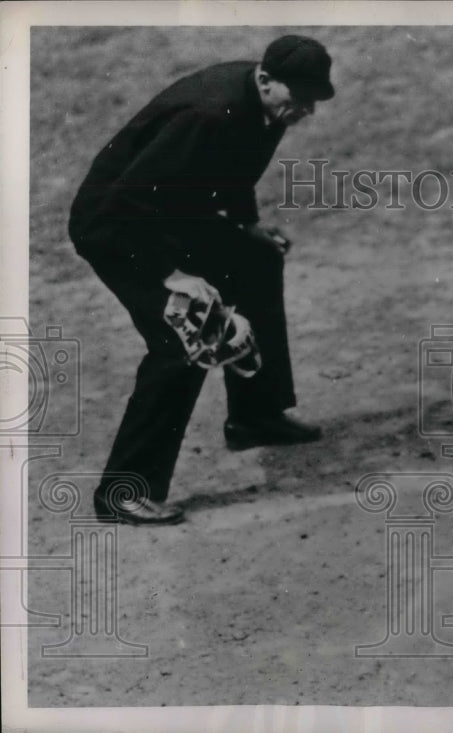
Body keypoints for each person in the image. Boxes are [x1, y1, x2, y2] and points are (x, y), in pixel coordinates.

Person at [68, 35, 335, 525]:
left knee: (256, 260)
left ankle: (256, 415)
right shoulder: (207, 112)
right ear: (265, 79)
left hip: (168, 216)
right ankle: (124, 491)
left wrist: (245, 226)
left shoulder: (268, 106)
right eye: (299, 98)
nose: (306, 110)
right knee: (183, 340)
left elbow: (236, 170)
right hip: (116, 229)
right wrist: (174, 275)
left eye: (312, 100)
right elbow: (126, 203)